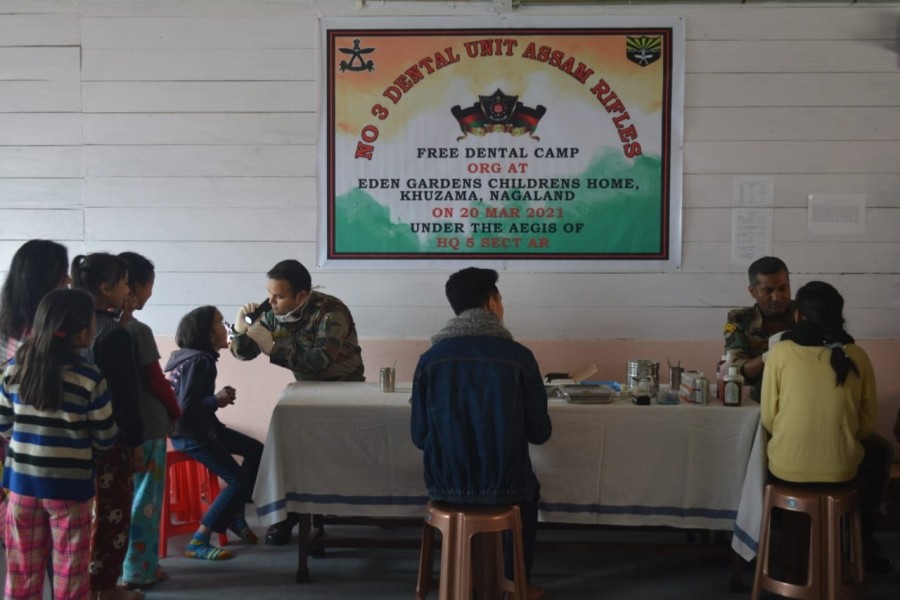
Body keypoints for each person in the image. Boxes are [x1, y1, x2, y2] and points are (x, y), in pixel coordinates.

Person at [410, 267, 552, 598]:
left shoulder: (430, 360)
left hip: (444, 485)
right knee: (528, 491)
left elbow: (419, 437)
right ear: (492, 303)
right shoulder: (520, 358)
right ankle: (515, 582)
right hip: (508, 486)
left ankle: (462, 577)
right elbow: (540, 433)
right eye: (501, 301)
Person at [761, 281, 894, 575]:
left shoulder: (781, 354)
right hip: (842, 471)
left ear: (798, 315)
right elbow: (866, 423)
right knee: (877, 454)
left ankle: (785, 557)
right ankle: (857, 546)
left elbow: (769, 418)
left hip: (787, 469)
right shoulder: (856, 355)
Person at [229, 259, 364, 544]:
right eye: (269, 293)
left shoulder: (331, 312)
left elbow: (319, 361)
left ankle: (360, 506)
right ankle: (286, 515)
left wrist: (274, 348)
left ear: (301, 295)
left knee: (343, 454)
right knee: (288, 452)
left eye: (279, 295)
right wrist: (240, 333)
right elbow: (244, 354)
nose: (271, 301)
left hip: (345, 392)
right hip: (306, 393)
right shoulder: (271, 312)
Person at [0, 288, 118, 600]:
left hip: (21, 487)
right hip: (70, 489)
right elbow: (105, 437)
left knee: (22, 570)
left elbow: (2, 424)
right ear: (81, 333)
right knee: (70, 571)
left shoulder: (14, 369)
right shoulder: (90, 377)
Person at [71, 253, 145, 600]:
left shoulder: (76, 328)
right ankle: (105, 588)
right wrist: (135, 441)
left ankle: (86, 584)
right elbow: (126, 395)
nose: (129, 289)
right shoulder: (113, 333)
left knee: (89, 516)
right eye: (125, 283)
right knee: (113, 515)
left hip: (76, 439)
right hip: (111, 438)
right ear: (106, 287)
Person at [165, 305, 263, 560]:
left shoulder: (191, 357)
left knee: (256, 450)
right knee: (238, 480)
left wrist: (215, 399)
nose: (227, 327)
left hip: (203, 430)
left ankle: (235, 517)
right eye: (221, 323)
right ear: (208, 334)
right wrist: (215, 400)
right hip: (192, 435)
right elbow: (186, 409)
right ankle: (199, 540)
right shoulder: (200, 361)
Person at [118, 253, 182, 588]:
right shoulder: (137, 331)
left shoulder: (95, 328)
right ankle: (140, 570)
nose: (150, 294)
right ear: (136, 285)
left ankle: (116, 570)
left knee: (117, 502)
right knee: (146, 502)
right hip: (148, 428)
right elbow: (157, 381)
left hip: (115, 431)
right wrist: (176, 410)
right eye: (150, 286)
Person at [723, 256, 795, 403]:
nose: (777, 297)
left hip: (803, 399)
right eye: (768, 290)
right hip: (761, 402)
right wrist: (770, 356)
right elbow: (736, 369)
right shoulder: (738, 319)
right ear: (752, 291)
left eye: (783, 288)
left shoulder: (805, 313)